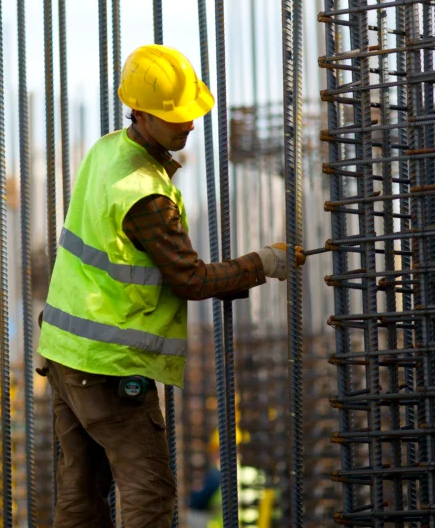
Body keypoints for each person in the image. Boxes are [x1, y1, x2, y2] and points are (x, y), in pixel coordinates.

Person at [36, 44, 305, 528]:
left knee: (79, 498)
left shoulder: (107, 151)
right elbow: (191, 279)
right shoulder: (145, 194)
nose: (189, 124)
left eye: (190, 113)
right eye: (175, 116)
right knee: (150, 495)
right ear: (140, 113)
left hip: (63, 353)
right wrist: (264, 263)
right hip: (108, 370)